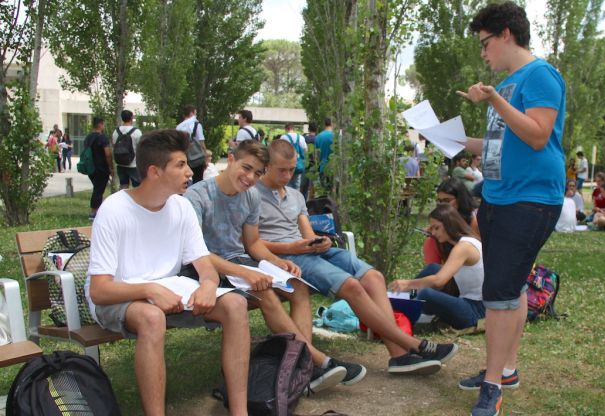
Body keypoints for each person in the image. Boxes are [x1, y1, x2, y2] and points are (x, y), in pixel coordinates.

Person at [257, 139, 458, 375]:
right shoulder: (252, 194)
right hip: (284, 257)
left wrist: (321, 242)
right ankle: (413, 345)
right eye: (282, 170)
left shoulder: (295, 195)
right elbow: (251, 242)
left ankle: (399, 356)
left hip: (306, 251)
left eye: (292, 169)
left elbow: (307, 234)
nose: (288, 175)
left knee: (374, 277)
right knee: (352, 285)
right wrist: (291, 247)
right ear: (267, 166)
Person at [85, 129, 251, 415]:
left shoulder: (181, 208)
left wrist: (209, 286)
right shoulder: (114, 210)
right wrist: (149, 290)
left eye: (187, 164)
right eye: (180, 165)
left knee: (236, 304)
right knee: (151, 317)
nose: (190, 171)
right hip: (120, 297)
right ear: (154, 171)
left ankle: (240, 411)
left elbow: (206, 269)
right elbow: (99, 291)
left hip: (170, 291)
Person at [183, 140, 365, 393]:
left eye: (257, 173)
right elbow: (196, 253)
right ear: (231, 158)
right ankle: (315, 362)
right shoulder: (198, 195)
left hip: (239, 262)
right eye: (246, 168)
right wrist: (245, 272)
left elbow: (253, 243)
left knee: (296, 287)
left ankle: (305, 367)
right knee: (266, 294)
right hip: (206, 268)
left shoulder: (250, 196)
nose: (250, 178)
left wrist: (280, 264)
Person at [456, 2, 566, 414]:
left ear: (505, 34)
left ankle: (491, 385)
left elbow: (538, 136)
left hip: (532, 200)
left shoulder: (541, 76)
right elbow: (502, 143)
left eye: (485, 44)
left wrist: (494, 103)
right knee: (513, 285)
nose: (483, 53)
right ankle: (506, 370)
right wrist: (456, 141)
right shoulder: (506, 85)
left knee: (498, 290)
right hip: (500, 198)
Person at [390, 205, 485, 330]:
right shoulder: (463, 242)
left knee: (426, 293)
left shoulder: (464, 247)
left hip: (476, 310)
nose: (433, 233)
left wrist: (408, 283)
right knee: (433, 268)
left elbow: (439, 281)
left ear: (449, 224)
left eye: (437, 228)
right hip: (468, 300)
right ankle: (403, 300)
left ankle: (399, 310)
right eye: (432, 228)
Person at [423, 178, 480, 266]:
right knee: (430, 242)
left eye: (447, 201)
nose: (443, 205)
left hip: (475, 262)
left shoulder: (475, 217)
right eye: (440, 201)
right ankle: (435, 273)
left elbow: (475, 244)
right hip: (455, 262)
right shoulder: (447, 217)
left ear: (460, 198)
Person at [83, 117, 113, 221]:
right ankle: (93, 212)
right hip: (101, 168)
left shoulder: (88, 138)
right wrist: (110, 167)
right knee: (98, 190)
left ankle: (97, 210)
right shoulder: (102, 138)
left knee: (97, 188)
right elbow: (108, 154)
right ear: (100, 125)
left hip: (90, 167)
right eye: (103, 124)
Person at [176, 105, 208, 184]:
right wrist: (206, 157)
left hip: (184, 157)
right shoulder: (196, 125)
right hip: (197, 158)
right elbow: (201, 142)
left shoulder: (178, 127)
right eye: (195, 113)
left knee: (185, 179)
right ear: (191, 113)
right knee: (198, 180)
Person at [113, 110, 143, 189]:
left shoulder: (116, 131)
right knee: (137, 187)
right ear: (131, 118)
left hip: (120, 163)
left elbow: (114, 145)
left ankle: (122, 200)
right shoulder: (137, 132)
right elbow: (141, 148)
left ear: (122, 118)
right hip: (133, 164)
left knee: (123, 186)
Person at [280, 124, 306, 190]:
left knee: (287, 183)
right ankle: (297, 198)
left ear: (286, 129)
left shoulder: (284, 137)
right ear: (293, 129)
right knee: (297, 184)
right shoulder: (301, 137)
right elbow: (305, 149)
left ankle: (288, 198)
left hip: (286, 164)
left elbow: (280, 150)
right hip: (298, 164)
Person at [315, 118, 335, 194]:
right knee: (334, 193)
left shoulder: (318, 136)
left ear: (324, 124)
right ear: (332, 123)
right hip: (334, 168)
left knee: (324, 192)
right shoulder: (335, 136)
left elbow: (316, 155)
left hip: (322, 167)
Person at [300, 122, 318, 199]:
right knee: (313, 186)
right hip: (315, 164)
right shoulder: (318, 139)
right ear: (316, 129)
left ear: (308, 129)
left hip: (305, 163)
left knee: (304, 186)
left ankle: (303, 201)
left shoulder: (304, 138)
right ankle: (312, 202)